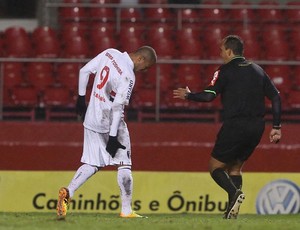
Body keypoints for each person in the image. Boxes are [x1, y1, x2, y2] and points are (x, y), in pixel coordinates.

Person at [173, 35, 282, 219]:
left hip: (235, 125)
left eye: (221, 50)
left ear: (230, 51)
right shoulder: (258, 70)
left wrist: (189, 96)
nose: (220, 53)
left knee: (215, 167)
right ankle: (232, 210)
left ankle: (234, 194)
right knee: (235, 169)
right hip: (257, 127)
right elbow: (276, 97)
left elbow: (209, 96)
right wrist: (277, 126)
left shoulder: (223, 71)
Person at [56, 46, 157, 219]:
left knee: (93, 163)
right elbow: (117, 108)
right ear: (140, 59)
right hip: (110, 123)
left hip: (91, 118)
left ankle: (68, 192)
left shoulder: (110, 53)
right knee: (124, 163)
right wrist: (112, 136)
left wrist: (80, 99)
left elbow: (84, 71)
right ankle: (126, 210)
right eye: (146, 67)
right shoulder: (128, 75)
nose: (144, 71)